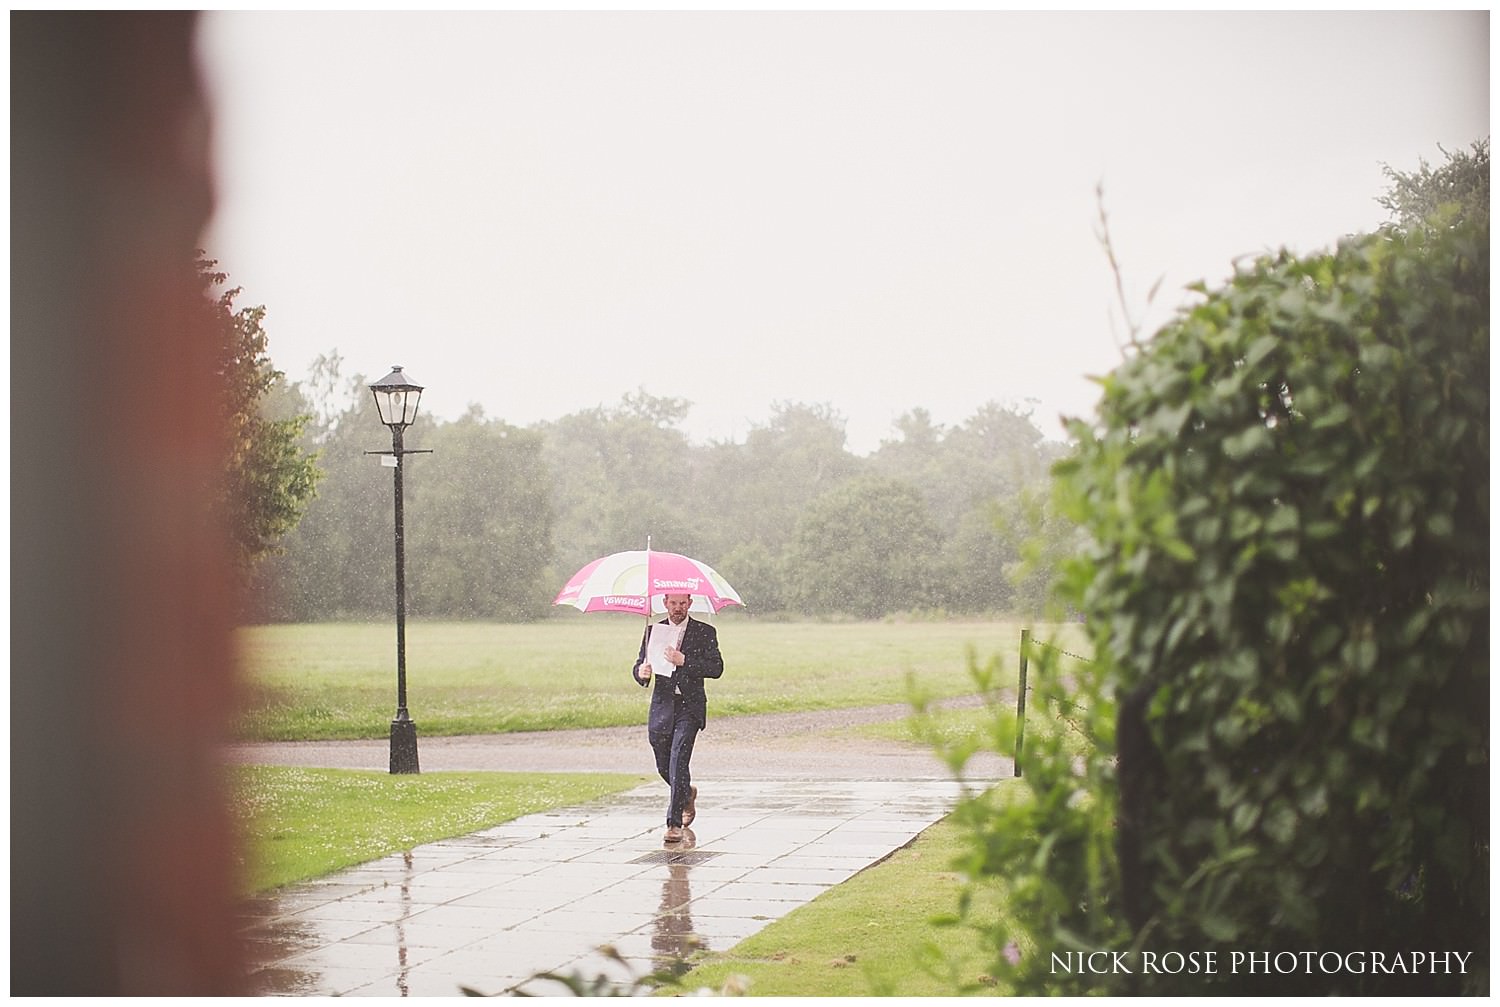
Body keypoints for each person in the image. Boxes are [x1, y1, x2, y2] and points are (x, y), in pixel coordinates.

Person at [631, 592, 724, 843]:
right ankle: (685, 794)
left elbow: (716, 668)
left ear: (690, 603)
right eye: (673, 603)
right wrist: (641, 672)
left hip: (689, 707)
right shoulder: (653, 630)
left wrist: (685, 661)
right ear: (665, 603)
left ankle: (673, 824)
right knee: (664, 763)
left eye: (683, 603)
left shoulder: (704, 631)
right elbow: (640, 665)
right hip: (662, 705)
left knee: (678, 758)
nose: (678, 608)